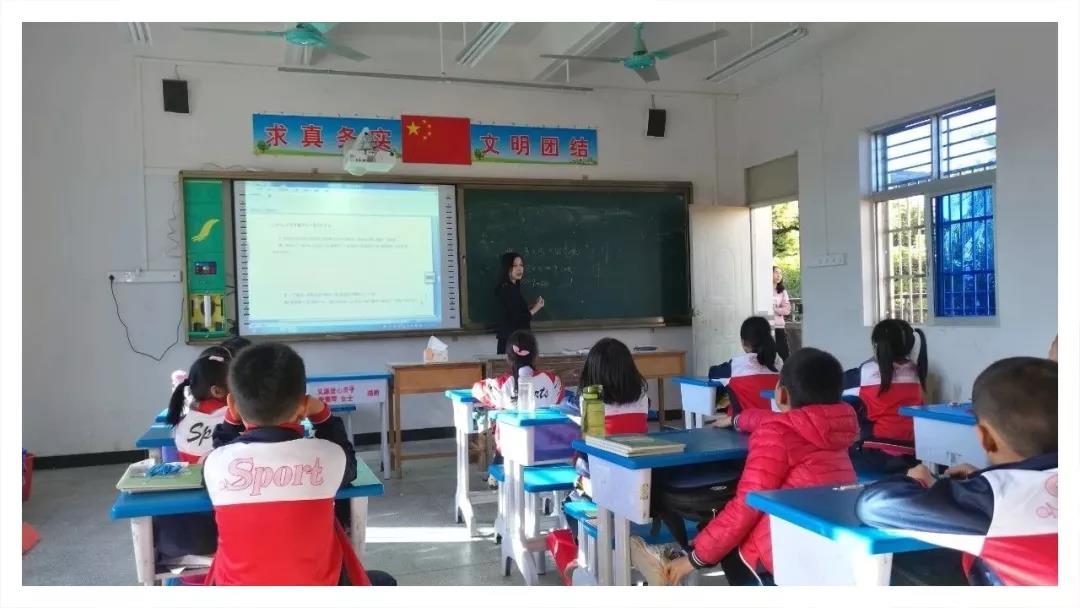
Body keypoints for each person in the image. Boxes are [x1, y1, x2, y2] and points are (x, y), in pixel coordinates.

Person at [631, 348, 858, 586]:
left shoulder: (776, 434)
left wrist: (694, 560)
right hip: (833, 553)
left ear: (781, 394)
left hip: (782, 560)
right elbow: (783, 420)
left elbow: (746, 507)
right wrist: (737, 419)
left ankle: (677, 560)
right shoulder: (837, 431)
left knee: (725, 517)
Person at [204, 342, 396, 586]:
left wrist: (230, 423)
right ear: (303, 406)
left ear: (232, 405)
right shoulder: (327, 456)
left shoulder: (216, 464)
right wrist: (323, 415)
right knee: (385, 582)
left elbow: (222, 448)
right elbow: (348, 464)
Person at [855, 357, 1057, 586]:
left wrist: (917, 482)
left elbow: (875, 505)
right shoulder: (990, 496)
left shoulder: (992, 501)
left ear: (985, 437)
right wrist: (982, 479)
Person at [472, 330, 563, 486]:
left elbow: (477, 389)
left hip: (512, 452)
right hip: (547, 450)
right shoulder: (553, 381)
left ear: (508, 358)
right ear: (536, 356)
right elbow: (559, 399)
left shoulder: (502, 385)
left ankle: (498, 481)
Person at [843, 318, 927, 474]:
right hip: (912, 453)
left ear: (877, 345)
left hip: (876, 453)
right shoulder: (916, 371)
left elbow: (837, 388)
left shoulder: (867, 372)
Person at [708, 316, 782, 415]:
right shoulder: (780, 364)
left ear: (743, 342)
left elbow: (712, 373)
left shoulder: (736, 366)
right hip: (774, 422)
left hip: (742, 422)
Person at [494, 252, 544, 355]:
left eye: (521, 265)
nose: (519, 269)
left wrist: (529, 307)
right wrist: (536, 308)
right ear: (507, 268)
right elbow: (519, 318)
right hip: (512, 341)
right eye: (515, 265)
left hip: (517, 339)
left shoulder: (513, 288)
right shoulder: (506, 289)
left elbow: (515, 309)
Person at [771, 266, 792, 361]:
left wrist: (775, 309)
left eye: (780, 273)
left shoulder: (782, 292)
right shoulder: (763, 290)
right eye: (776, 272)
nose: (779, 275)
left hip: (778, 326)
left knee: (784, 354)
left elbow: (787, 310)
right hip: (766, 325)